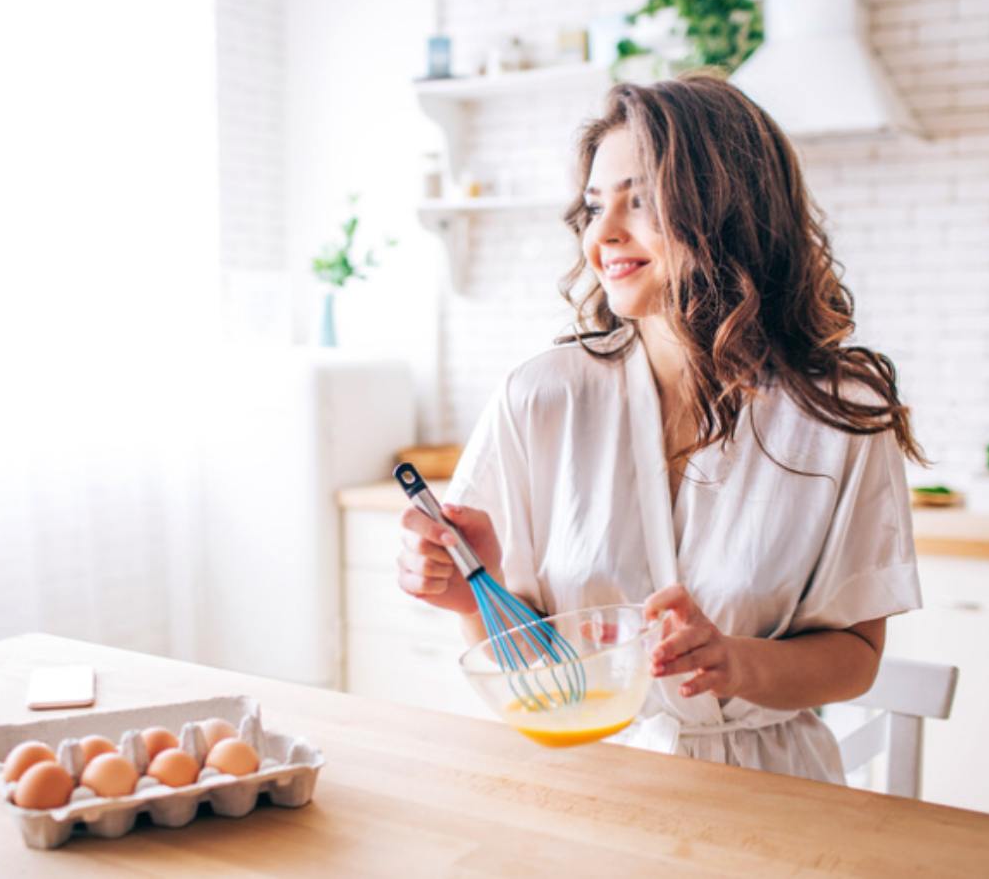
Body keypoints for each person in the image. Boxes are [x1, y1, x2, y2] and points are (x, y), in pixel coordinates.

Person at [395, 73, 924, 784]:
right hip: (588, 778)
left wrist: (735, 662)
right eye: (593, 207)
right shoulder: (541, 397)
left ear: (727, 206)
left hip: (772, 794)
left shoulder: (840, 415)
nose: (603, 235)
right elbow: (542, 672)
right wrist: (469, 588)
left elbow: (856, 656)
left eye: (639, 201)